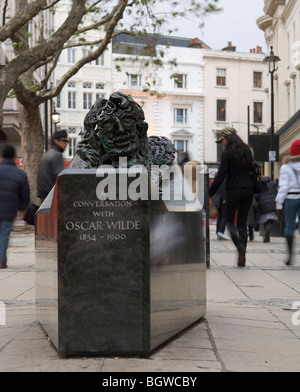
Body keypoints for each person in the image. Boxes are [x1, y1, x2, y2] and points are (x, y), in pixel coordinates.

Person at [209, 127, 256, 267]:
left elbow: (220, 175)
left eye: (222, 140)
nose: (221, 143)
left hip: (233, 190)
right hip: (248, 190)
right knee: (242, 223)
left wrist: (209, 193)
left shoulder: (227, 153)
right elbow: (254, 170)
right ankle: (243, 253)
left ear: (227, 138)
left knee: (230, 222)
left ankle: (240, 250)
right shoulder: (248, 151)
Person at [0, 145, 30, 269]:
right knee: (4, 234)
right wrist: (22, 207)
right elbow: (25, 194)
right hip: (8, 210)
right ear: (13, 156)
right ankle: (1, 260)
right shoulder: (20, 174)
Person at [275, 139, 300, 265]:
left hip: (291, 198)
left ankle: (290, 256)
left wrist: (279, 203)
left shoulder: (286, 166)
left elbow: (283, 187)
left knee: (289, 225)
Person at [38, 130, 69, 203]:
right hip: (51, 196)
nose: (66, 144)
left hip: (44, 195)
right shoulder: (57, 155)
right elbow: (60, 177)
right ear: (56, 141)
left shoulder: (48, 154)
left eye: (67, 141)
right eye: (64, 141)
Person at [256, 176, 278, 243]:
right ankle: (267, 233)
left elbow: (257, 195)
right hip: (272, 203)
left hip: (263, 204)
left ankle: (266, 233)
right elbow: (277, 193)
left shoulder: (260, 185)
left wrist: (258, 200)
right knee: (270, 220)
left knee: (265, 219)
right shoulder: (272, 184)